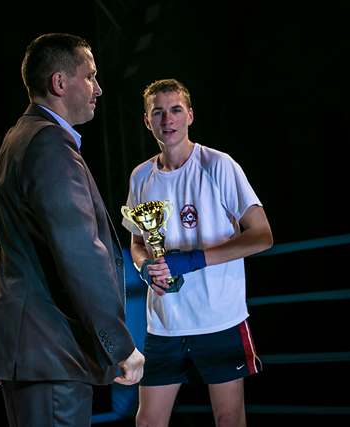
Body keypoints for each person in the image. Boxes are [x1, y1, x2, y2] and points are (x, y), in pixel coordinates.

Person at [0, 33, 144, 427]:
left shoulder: (16, 140)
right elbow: (81, 252)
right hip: (52, 352)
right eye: (91, 76)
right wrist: (119, 344)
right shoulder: (49, 146)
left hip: (28, 353)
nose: (99, 88)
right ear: (60, 83)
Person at [122, 79, 274, 427]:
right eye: (157, 112)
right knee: (147, 421)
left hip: (219, 317)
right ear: (146, 120)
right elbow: (137, 242)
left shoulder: (218, 165)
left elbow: (263, 235)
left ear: (190, 115)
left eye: (175, 110)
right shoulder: (141, 176)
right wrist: (145, 268)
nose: (167, 119)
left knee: (228, 418)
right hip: (164, 323)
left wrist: (193, 260)